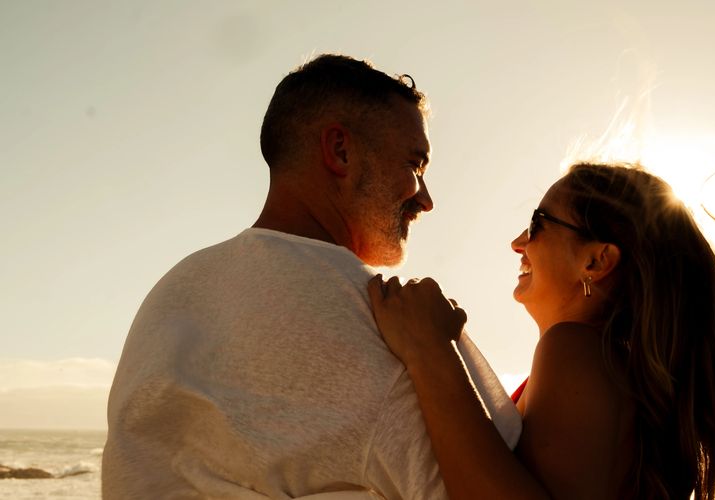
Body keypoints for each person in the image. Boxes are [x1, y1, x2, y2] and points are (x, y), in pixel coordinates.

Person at [102, 54, 520, 500]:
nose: (426, 199)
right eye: (415, 165)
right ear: (340, 151)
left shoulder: (173, 292)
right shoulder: (385, 322)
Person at [368, 162, 715, 499]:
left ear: (597, 259)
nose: (518, 242)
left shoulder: (574, 349)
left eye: (539, 221)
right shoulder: (614, 367)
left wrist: (430, 352)